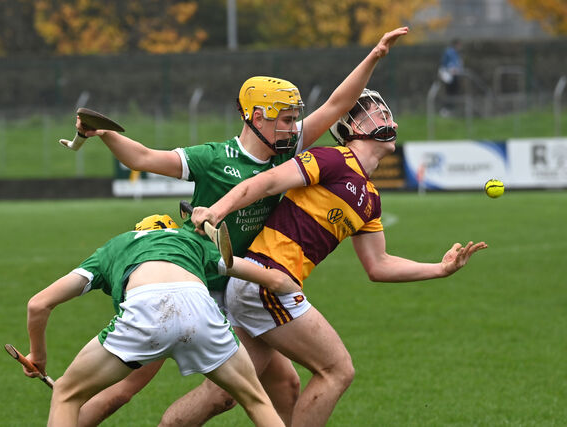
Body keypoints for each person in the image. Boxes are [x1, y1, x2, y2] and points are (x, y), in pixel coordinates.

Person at [74, 26, 410, 426]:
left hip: (245, 286)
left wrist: (374, 55)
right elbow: (145, 158)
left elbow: (340, 103)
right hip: (197, 285)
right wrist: (105, 134)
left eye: (294, 118)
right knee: (124, 391)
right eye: (285, 119)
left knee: (282, 385)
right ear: (256, 118)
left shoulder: (289, 150)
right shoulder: (214, 158)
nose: (293, 126)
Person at [191, 88, 488, 426]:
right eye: (377, 114)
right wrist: (216, 211)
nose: (389, 119)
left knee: (225, 395)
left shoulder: (370, 199)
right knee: (337, 369)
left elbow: (379, 265)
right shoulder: (332, 158)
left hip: (261, 289)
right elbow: (268, 181)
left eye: (388, 113)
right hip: (268, 281)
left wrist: (440, 269)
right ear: (351, 127)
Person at [23, 214, 302, 426]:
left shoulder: (114, 247)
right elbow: (274, 279)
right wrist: (296, 291)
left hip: (145, 309)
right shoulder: (192, 240)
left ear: (138, 232)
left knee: (66, 393)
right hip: (200, 309)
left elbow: (38, 304)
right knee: (257, 401)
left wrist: (38, 355)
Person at [438, 38, 464, 115]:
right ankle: (446, 109)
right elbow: (447, 64)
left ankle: (451, 109)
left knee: (453, 92)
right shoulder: (449, 52)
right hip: (449, 76)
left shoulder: (456, 53)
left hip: (454, 76)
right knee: (449, 92)